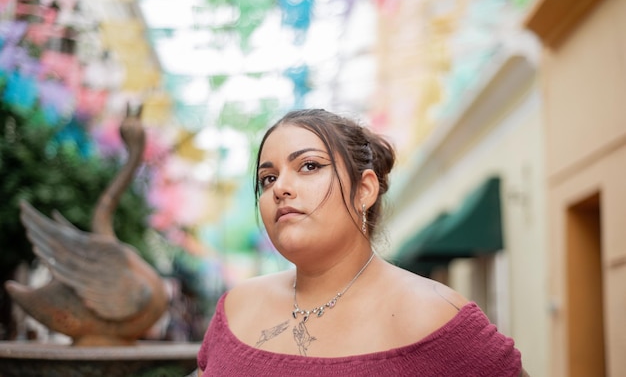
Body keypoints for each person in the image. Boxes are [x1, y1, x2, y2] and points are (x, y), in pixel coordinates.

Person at [196, 108, 529, 376]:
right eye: (268, 178)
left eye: (309, 166)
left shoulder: (433, 315)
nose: (280, 187)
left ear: (364, 190)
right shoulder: (235, 308)